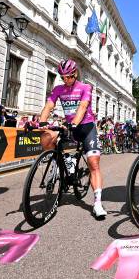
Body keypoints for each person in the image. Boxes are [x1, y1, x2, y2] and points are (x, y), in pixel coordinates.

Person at [38, 59, 106, 219]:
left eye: (68, 76)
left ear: (75, 74)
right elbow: (49, 105)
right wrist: (42, 121)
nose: (65, 80)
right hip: (70, 127)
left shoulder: (85, 87)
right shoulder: (58, 89)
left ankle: (97, 203)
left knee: (93, 163)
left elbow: (82, 107)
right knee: (46, 137)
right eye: (62, 77)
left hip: (86, 127)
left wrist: (74, 123)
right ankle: (60, 161)